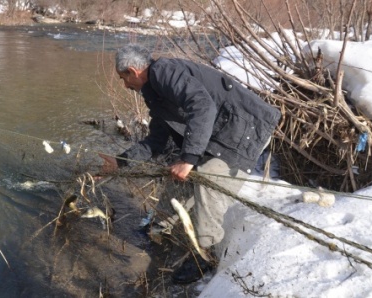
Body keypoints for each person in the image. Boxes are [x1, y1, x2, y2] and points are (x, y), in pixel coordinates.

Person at [100, 44, 281, 284]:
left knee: (207, 181)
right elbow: (156, 140)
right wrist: (120, 162)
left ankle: (205, 255)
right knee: (177, 176)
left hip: (245, 130)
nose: (125, 86)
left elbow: (202, 106)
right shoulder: (154, 92)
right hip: (218, 133)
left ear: (133, 71)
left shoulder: (163, 72)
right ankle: (159, 226)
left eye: (124, 78)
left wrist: (188, 159)